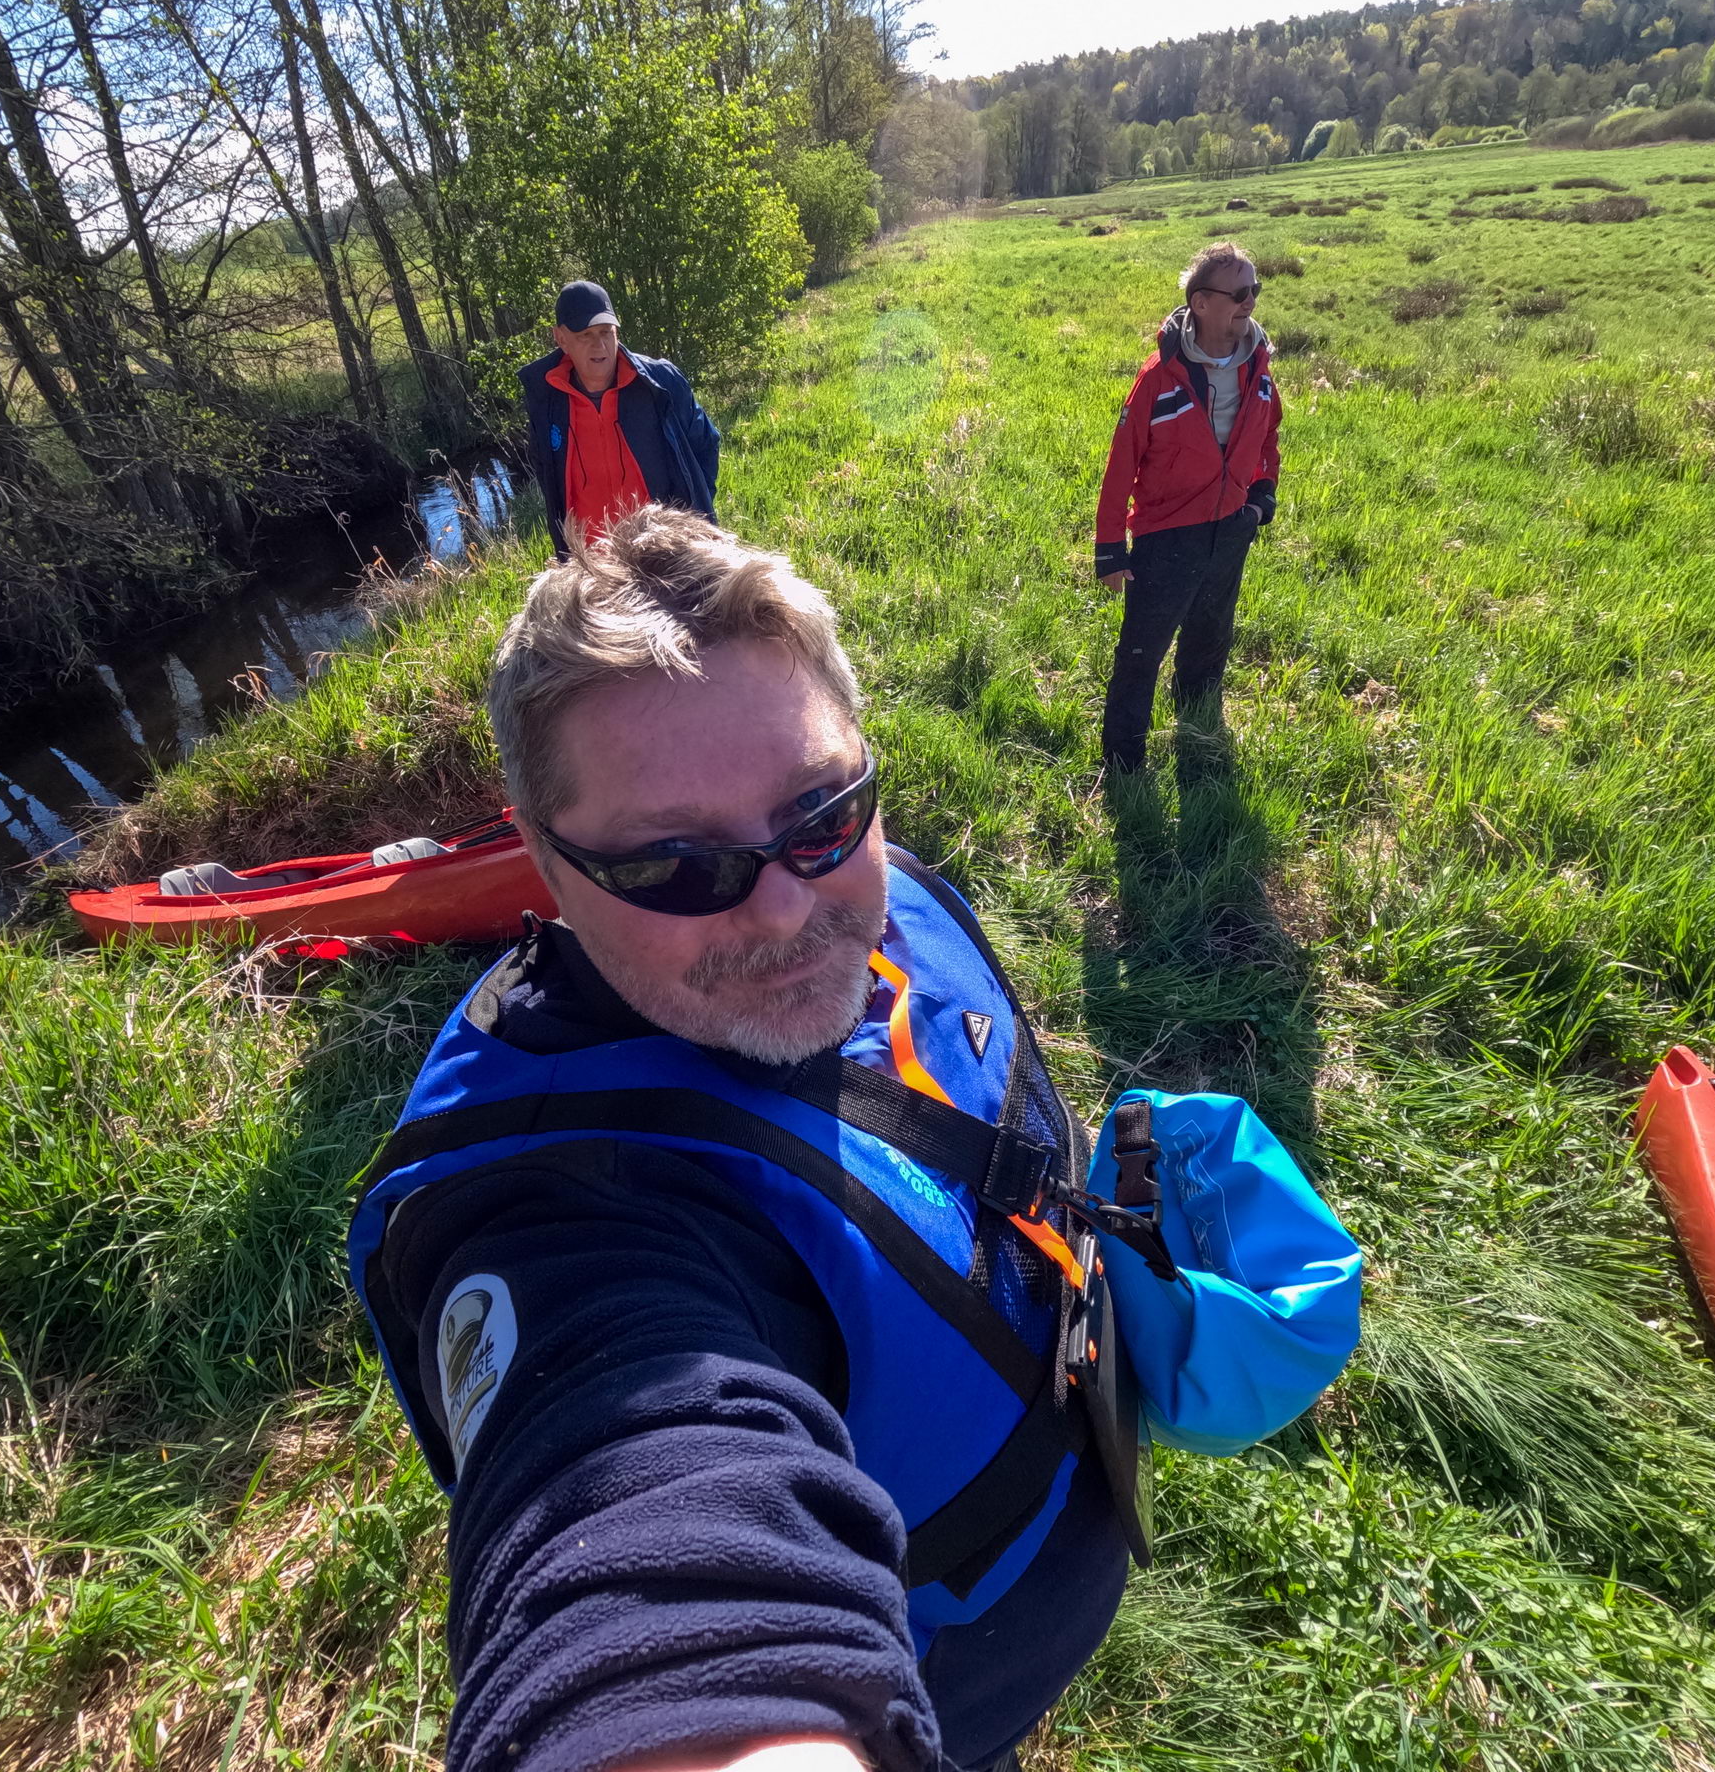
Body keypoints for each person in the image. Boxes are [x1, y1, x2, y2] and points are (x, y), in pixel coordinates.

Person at [348, 506, 1358, 1772]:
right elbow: (639, 1555)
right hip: (933, 1701)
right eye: (676, 867)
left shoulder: (896, 897)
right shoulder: (565, 1213)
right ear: (547, 866)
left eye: (820, 814)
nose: (785, 908)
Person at [1092, 241, 1282, 774]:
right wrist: (1110, 549)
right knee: (1141, 652)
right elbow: (1121, 462)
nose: (1250, 302)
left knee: (1210, 636)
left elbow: (1269, 434)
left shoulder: (1258, 367)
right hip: (1166, 537)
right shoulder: (1160, 376)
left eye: (1254, 290)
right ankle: (1124, 764)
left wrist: (1261, 497)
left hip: (1231, 528)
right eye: (1238, 293)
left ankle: (1197, 725)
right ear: (1201, 302)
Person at [518, 281, 721, 556]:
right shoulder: (546, 399)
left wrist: (696, 515)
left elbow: (706, 443)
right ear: (561, 338)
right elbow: (547, 475)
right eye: (585, 335)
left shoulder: (659, 383)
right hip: (592, 561)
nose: (599, 345)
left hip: (665, 553)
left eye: (606, 331)